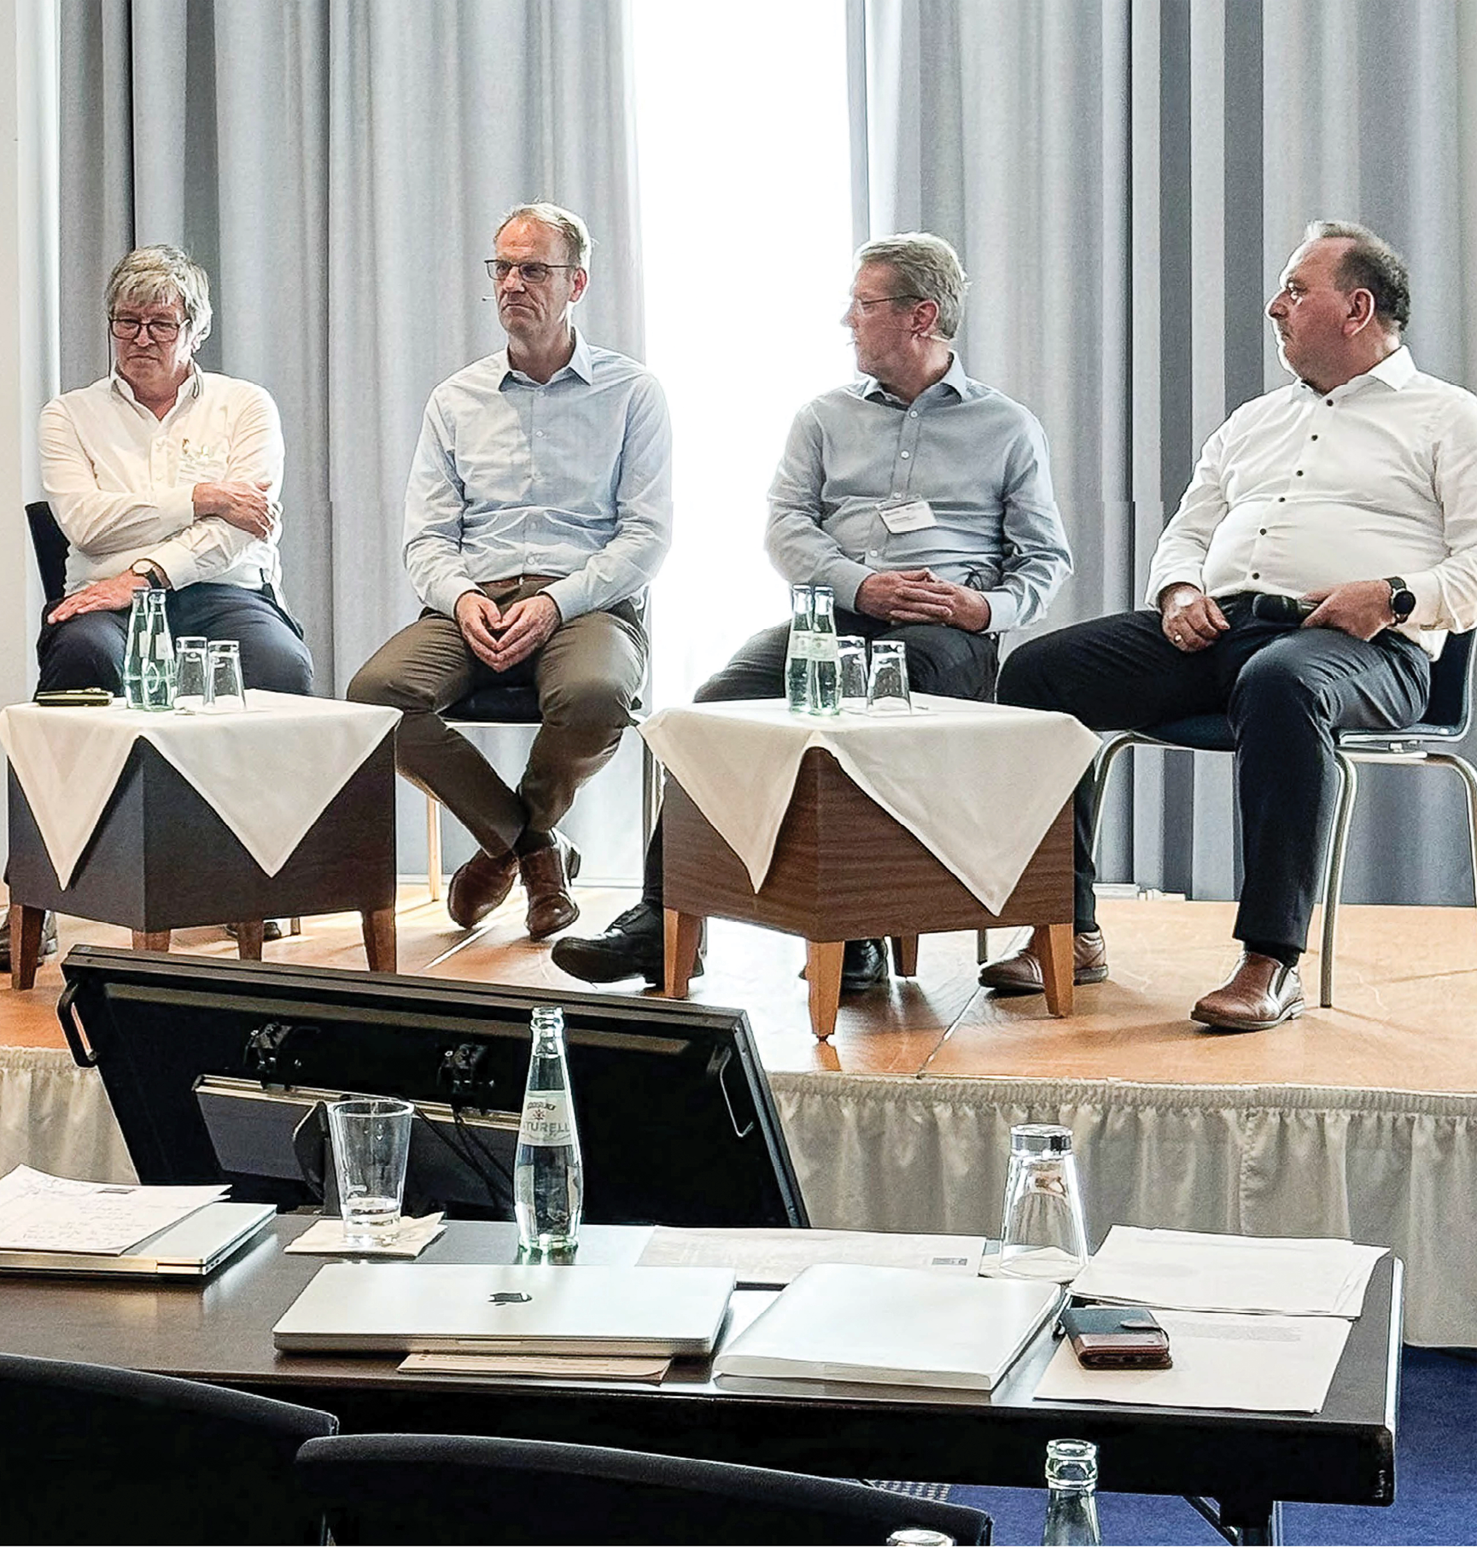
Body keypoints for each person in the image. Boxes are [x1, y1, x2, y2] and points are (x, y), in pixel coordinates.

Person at [990, 221, 1477, 1032]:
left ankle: (1268, 961)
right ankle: (1065, 929)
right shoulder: (1253, 421)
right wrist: (1177, 590)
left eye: (1295, 290)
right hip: (1219, 629)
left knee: (1282, 680)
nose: (1273, 307)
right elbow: (1185, 531)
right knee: (1038, 674)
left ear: (1356, 308)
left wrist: (1391, 595)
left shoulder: (1447, 419)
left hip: (1364, 647)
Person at [552, 232, 1070, 988]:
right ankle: (662, 917)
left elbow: (1044, 561)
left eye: (863, 305)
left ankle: (853, 925)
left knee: (875, 706)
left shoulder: (1006, 426)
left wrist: (978, 606)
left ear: (920, 316)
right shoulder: (824, 417)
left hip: (941, 634)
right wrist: (860, 586)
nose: (847, 321)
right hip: (835, 618)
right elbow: (785, 528)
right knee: (715, 708)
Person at [348, 202, 671, 941]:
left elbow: (646, 536)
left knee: (595, 694)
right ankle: (531, 847)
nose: (512, 283)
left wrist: (555, 604)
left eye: (533, 269)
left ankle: (502, 852)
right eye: (502, 267)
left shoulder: (631, 393)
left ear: (576, 283)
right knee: (374, 699)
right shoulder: (454, 398)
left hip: (586, 604)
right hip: (472, 603)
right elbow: (425, 537)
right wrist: (459, 597)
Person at [0, 244, 313, 972]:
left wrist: (144, 572)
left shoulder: (244, 406)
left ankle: (257, 883)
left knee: (278, 666)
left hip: (221, 593)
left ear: (195, 329)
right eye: (125, 323)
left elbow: (240, 531)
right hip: (102, 605)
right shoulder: (69, 415)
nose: (140, 340)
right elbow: (84, 523)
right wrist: (199, 496)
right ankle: (32, 896)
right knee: (77, 663)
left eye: (159, 324)